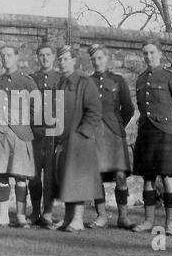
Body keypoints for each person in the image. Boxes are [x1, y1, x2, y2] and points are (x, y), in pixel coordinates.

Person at [132, 39, 172, 236]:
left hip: (166, 133)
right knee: (147, 178)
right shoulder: (140, 79)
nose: (148, 56)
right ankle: (148, 221)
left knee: (167, 177)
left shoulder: (170, 77)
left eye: (151, 53)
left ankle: (171, 224)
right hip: (146, 133)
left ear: (159, 53)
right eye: (145, 53)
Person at [0, 45, 37, 228]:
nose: (5, 58)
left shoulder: (27, 82)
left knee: (21, 177)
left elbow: (35, 110)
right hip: (1, 134)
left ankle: (21, 217)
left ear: (16, 57)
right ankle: (4, 215)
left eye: (9, 55)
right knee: (2, 175)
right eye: (2, 55)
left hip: (20, 135)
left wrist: (21, 122)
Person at [54, 45, 103, 233]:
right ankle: (67, 218)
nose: (62, 62)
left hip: (80, 142)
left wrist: (82, 133)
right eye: (60, 59)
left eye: (66, 59)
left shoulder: (85, 83)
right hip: (64, 140)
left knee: (78, 180)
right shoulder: (60, 83)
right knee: (66, 179)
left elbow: (94, 111)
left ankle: (78, 218)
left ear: (75, 60)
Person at [87, 44, 135, 230]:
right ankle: (101, 216)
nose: (97, 62)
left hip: (115, 134)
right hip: (95, 135)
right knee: (96, 175)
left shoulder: (118, 80)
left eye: (100, 58)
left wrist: (117, 125)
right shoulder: (87, 82)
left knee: (120, 175)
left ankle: (123, 217)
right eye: (93, 59)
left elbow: (129, 108)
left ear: (106, 58)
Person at [28, 42, 61, 229]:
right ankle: (35, 211)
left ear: (53, 57)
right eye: (41, 55)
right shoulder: (32, 79)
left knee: (49, 176)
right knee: (33, 175)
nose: (45, 58)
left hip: (53, 134)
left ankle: (47, 212)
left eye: (48, 55)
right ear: (37, 57)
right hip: (35, 132)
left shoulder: (60, 79)